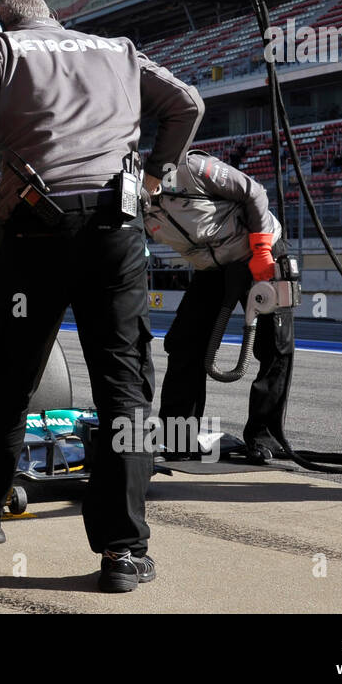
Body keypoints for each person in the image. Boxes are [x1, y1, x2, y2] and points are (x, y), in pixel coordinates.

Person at [0, 0, 203, 593]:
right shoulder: (119, 49)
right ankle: (124, 550)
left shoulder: (2, 44)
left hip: (34, 231)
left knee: (7, 376)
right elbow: (186, 103)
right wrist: (155, 175)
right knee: (123, 385)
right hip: (116, 229)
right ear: (55, 17)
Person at [143, 150, 294, 464]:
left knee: (274, 345)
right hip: (212, 268)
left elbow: (253, 191)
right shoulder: (134, 205)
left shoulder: (190, 167)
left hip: (260, 250)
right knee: (184, 343)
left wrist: (262, 248)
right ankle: (177, 440)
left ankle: (264, 438)